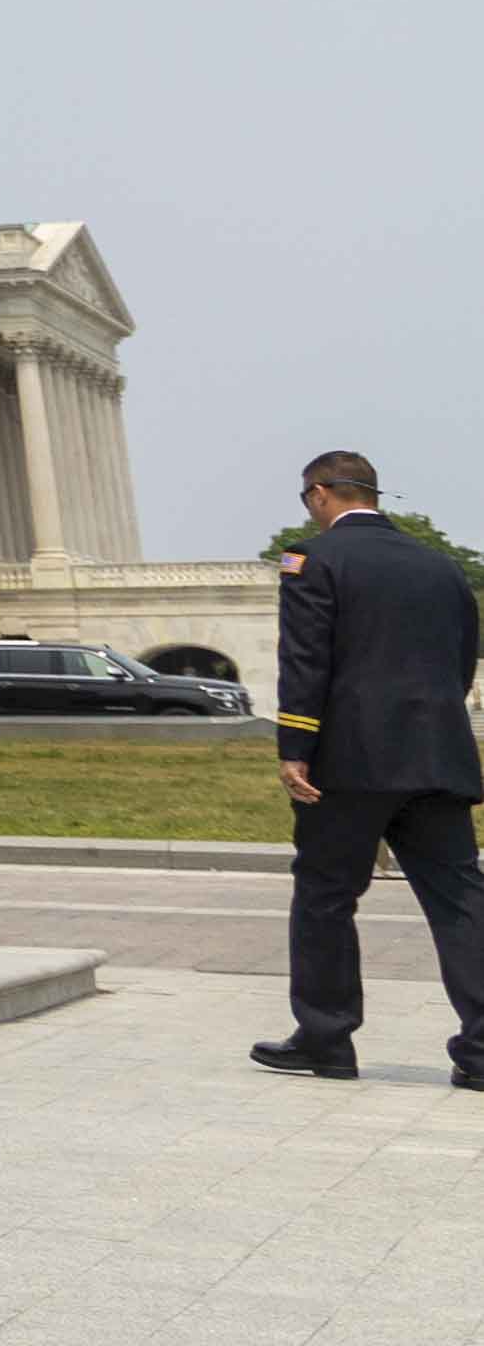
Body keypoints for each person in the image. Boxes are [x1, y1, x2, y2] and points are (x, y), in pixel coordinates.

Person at [250, 447, 484, 1088]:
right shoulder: (440, 567)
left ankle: (325, 1040)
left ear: (321, 494)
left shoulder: (312, 559)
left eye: (308, 499)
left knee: (326, 897)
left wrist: (293, 746)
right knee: (461, 898)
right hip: (437, 754)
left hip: (348, 763)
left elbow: (305, 658)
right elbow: (462, 661)